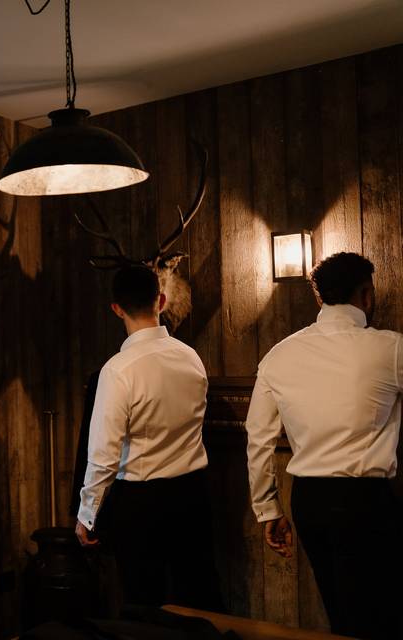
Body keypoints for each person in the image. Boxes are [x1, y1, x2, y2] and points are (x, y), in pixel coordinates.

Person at [245, 251, 403, 639]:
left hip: (309, 500)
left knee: (338, 609)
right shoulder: (392, 349)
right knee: (380, 614)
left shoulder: (278, 356)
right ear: (366, 294)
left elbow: (259, 438)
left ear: (320, 297)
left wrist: (267, 509)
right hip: (365, 499)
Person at [75, 265, 222, 612]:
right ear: (162, 300)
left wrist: (87, 513)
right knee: (200, 597)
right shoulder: (192, 358)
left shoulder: (118, 370)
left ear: (116, 309)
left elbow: (103, 454)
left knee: (144, 603)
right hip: (193, 494)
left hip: (141, 503)